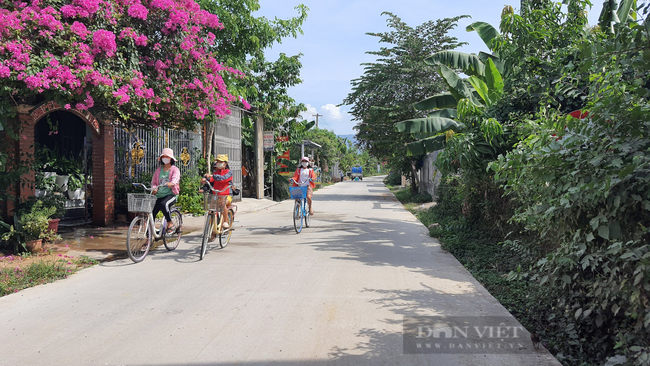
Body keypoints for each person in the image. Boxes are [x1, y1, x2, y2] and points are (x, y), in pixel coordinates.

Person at [201, 154, 233, 237]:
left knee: (222, 203)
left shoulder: (229, 172)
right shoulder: (215, 172)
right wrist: (205, 179)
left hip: (226, 195)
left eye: (220, 162)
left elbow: (222, 179)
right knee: (211, 209)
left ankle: (225, 222)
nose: (218, 163)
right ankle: (212, 231)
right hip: (216, 195)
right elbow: (211, 179)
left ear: (225, 163)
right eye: (217, 162)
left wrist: (212, 176)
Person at [151, 148, 180, 233]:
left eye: (167, 156)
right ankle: (149, 238)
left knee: (164, 204)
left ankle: (170, 223)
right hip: (159, 195)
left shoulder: (175, 169)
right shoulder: (158, 170)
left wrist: (171, 183)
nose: (165, 158)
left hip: (170, 195)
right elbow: (154, 182)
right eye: (163, 156)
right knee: (151, 213)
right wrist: (154, 188)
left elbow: (175, 179)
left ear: (171, 158)